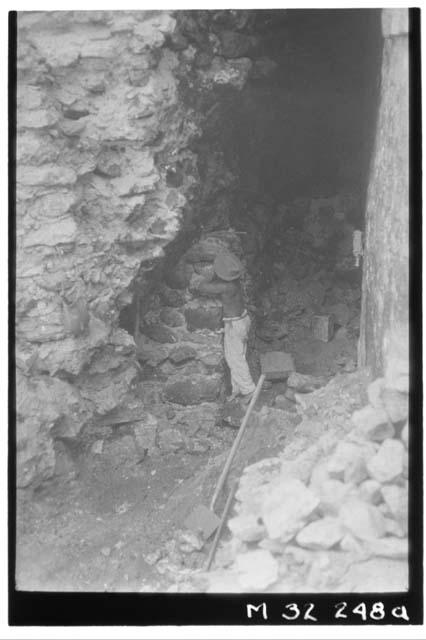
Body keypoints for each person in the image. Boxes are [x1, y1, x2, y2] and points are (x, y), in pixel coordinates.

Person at [190, 252, 256, 403]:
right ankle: (238, 389)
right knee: (237, 356)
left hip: (235, 324)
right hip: (242, 320)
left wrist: (200, 276)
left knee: (234, 359)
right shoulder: (235, 283)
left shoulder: (226, 287)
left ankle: (249, 390)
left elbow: (202, 287)